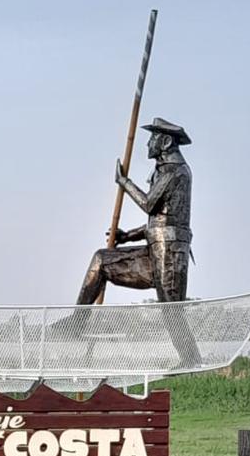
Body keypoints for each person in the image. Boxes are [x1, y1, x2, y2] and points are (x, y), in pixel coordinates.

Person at [76, 117, 200, 364]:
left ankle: (191, 359)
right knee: (102, 260)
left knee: (172, 312)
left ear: (164, 141)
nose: (148, 145)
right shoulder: (165, 171)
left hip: (170, 253)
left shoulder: (176, 172)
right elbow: (157, 221)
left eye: (152, 139)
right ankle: (77, 322)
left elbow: (148, 204)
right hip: (155, 247)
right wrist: (125, 237)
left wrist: (124, 182)